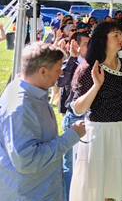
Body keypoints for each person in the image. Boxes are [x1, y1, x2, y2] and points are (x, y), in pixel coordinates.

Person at [69, 21, 122, 201]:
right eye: (116, 35)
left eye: (121, 34)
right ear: (103, 39)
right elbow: (78, 107)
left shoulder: (121, 63)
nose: (121, 38)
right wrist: (96, 85)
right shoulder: (89, 68)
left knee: (116, 185)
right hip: (101, 132)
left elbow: (118, 90)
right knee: (100, 186)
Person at [0, 43, 86, 200]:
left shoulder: (31, 91)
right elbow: (27, 161)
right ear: (43, 71)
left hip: (40, 190)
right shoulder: (20, 107)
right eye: (58, 69)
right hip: (31, 194)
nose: (61, 73)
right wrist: (71, 135)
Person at [56, 32, 89, 199]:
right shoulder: (69, 63)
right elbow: (61, 82)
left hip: (90, 117)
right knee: (70, 163)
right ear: (76, 45)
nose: (89, 47)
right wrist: (72, 59)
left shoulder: (93, 63)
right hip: (74, 117)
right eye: (85, 44)